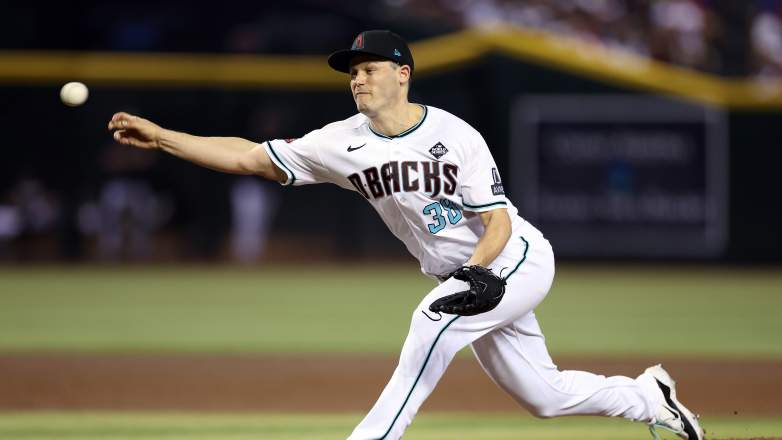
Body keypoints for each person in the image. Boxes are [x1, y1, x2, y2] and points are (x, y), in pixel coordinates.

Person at [107, 29, 704, 440]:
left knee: (432, 320)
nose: (357, 80)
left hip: (516, 258)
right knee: (542, 397)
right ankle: (651, 399)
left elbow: (496, 220)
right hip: (464, 274)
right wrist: (163, 137)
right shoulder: (339, 142)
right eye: (352, 73)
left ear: (402, 75)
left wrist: (476, 273)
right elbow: (250, 158)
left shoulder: (456, 134)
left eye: (367, 70)